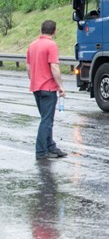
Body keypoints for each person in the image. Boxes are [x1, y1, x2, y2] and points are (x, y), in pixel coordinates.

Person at [26, 20, 67, 160]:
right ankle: (41, 151)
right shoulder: (51, 45)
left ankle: (51, 146)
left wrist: (33, 80)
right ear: (54, 31)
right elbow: (54, 67)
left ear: (41, 30)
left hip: (36, 87)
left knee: (45, 119)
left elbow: (28, 68)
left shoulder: (32, 45)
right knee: (47, 121)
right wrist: (60, 86)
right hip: (48, 88)